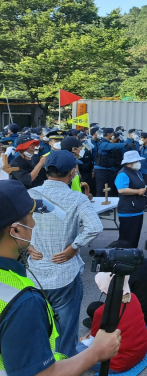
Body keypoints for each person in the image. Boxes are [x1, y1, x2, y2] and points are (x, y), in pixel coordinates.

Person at [0, 179, 121, 375]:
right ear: (15, 230)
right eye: (31, 216)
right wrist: (96, 352)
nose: (34, 222)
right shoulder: (22, 302)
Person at [25, 150, 103, 357]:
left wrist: (26, 246)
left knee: (39, 324)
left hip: (35, 272)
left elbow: (14, 225)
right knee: (66, 330)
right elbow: (94, 227)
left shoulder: (31, 195)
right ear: (72, 172)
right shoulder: (77, 198)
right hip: (64, 273)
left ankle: (42, 362)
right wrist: (74, 247)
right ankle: (65, 365)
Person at [78, 272, 147, 373]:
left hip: (117, 364)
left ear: (104, 291)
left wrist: (84, 340)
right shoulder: (134, 297)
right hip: (141, 352)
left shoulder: (101, 312)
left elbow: (91, 343)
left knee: (73, 349)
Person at [115, 150, 147, 248]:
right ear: (130, 163)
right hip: (128, 210)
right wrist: (137, 191)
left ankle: (133, 257)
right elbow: (121, 190)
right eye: (136, 161)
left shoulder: (136, 172)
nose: (138, 163)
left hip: (138, 209)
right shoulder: (123, 174)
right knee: (127, 239)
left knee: (134, 237)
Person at [94, 128, 131, 197]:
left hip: (108, 170)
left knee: (110, 190)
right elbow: (113, 146)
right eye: (112, 134)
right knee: (102, 191)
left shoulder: (107, 143)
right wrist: (125, 144)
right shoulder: (104, 144)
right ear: (109, 135)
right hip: (102, 171)